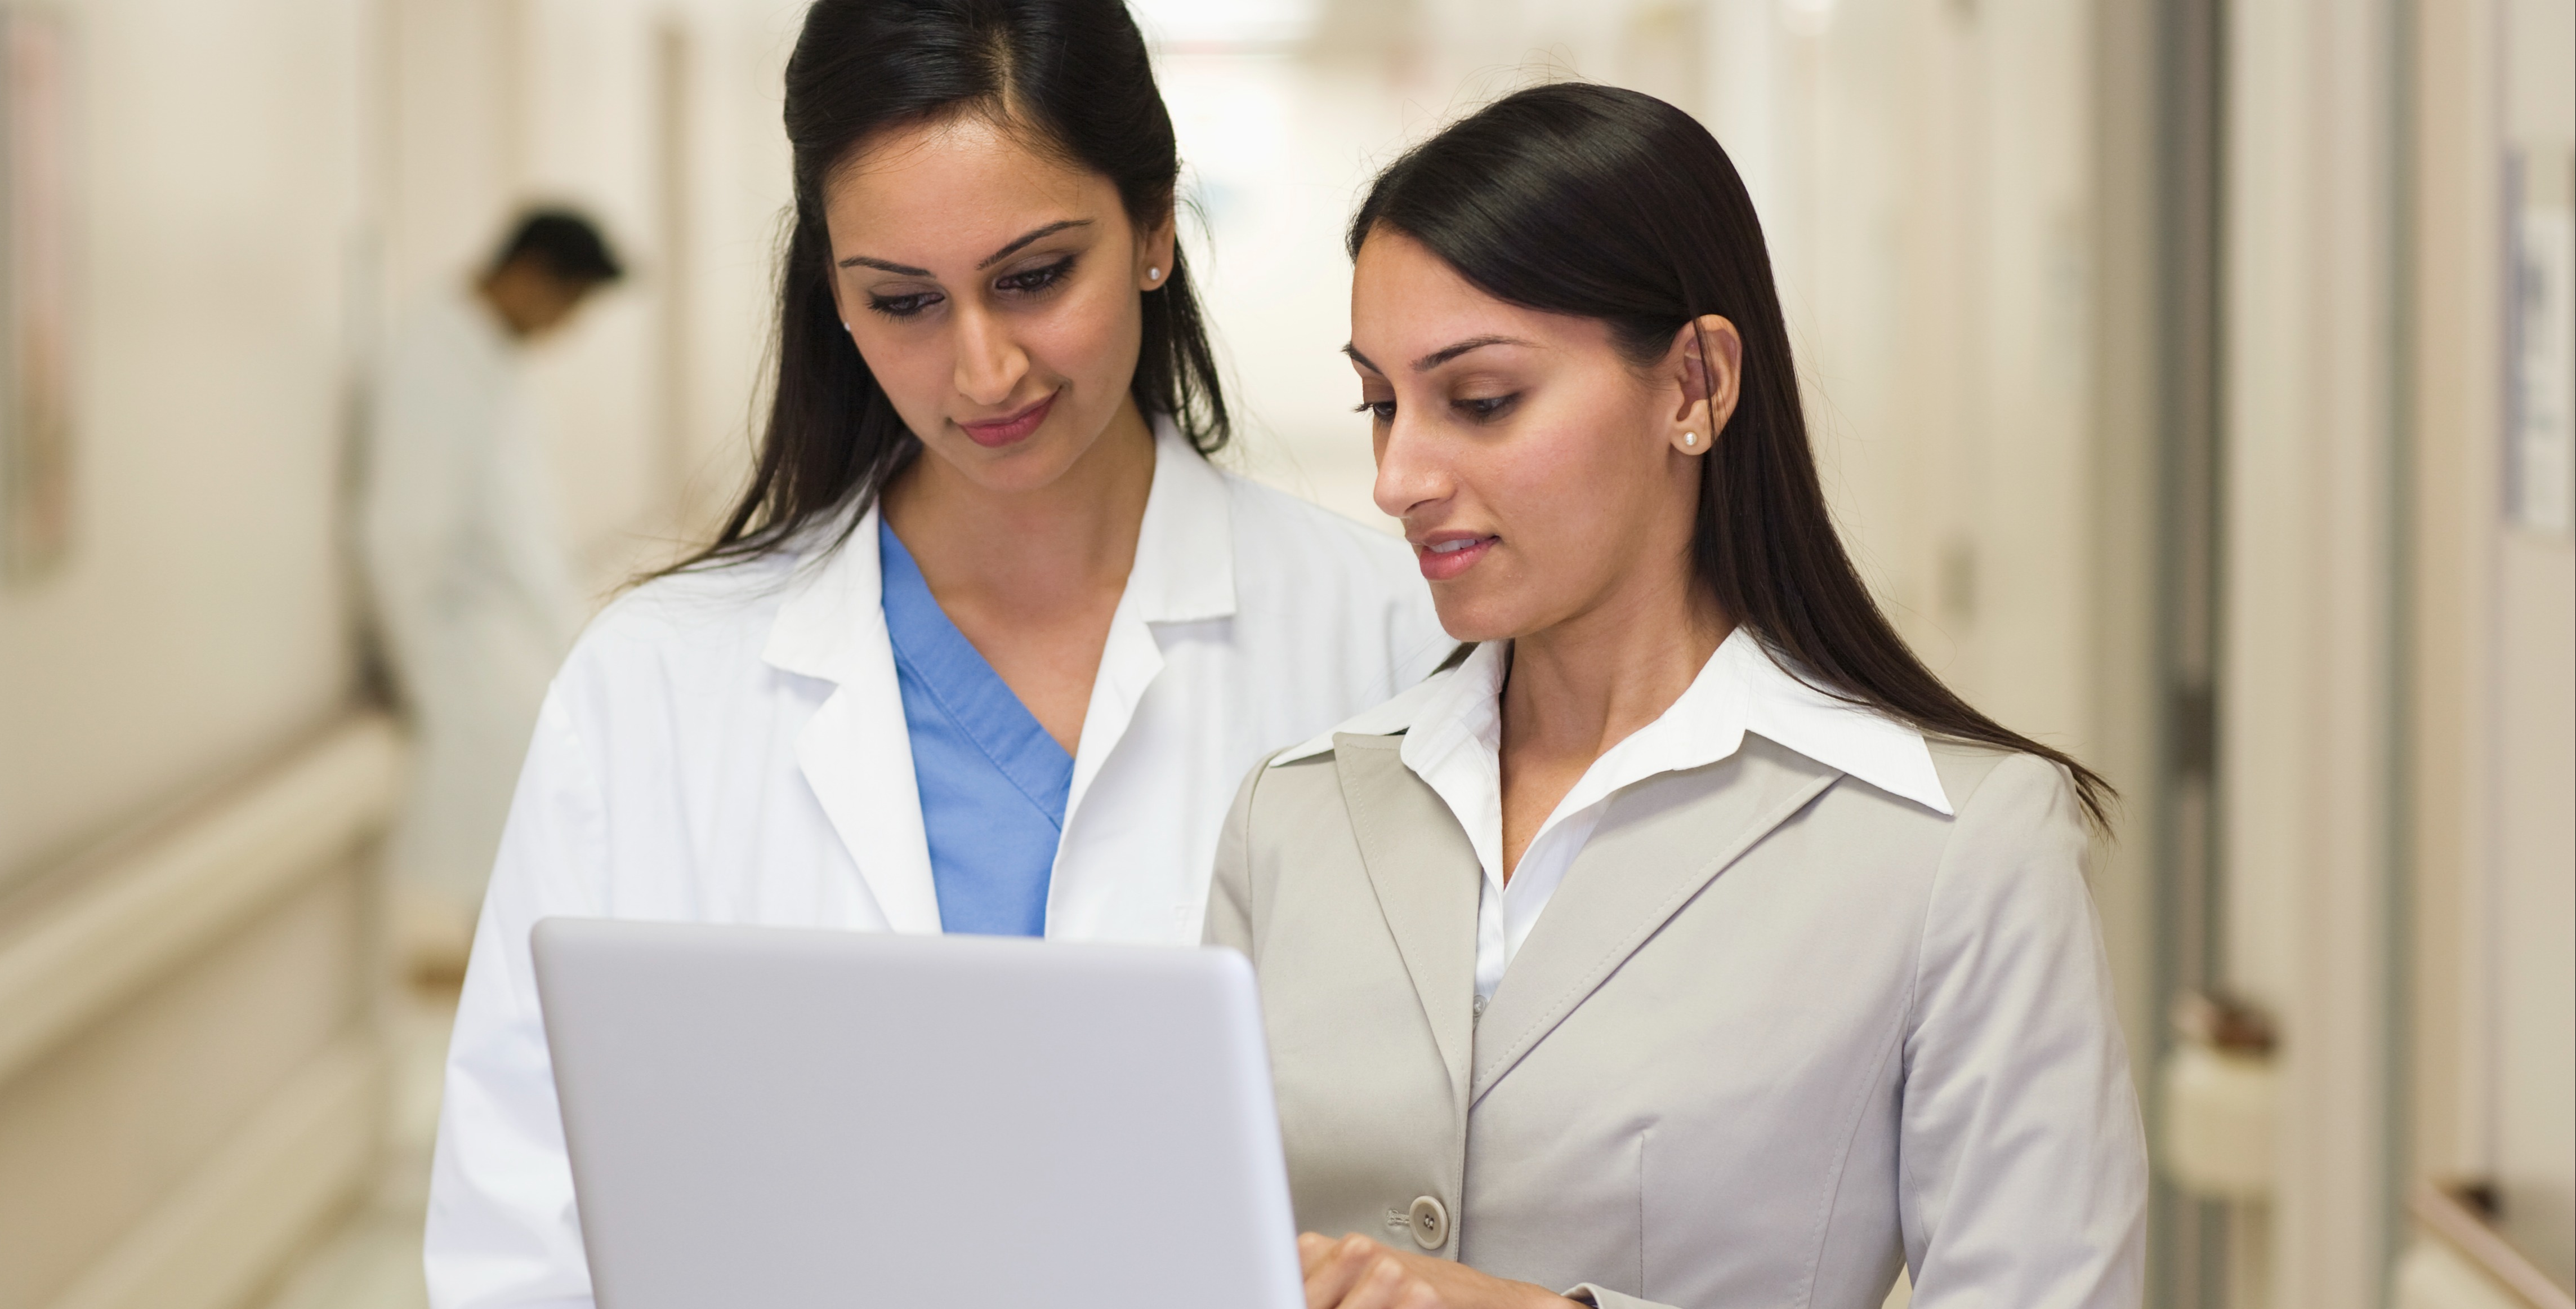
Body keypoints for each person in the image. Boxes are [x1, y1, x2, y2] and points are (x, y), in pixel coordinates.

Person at [422, 3, 1452, 1304]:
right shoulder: (658, 685)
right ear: (833, 297)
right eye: (901, 301)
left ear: (1149, 228)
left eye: (1032, 276)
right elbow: (523, 1221)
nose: (982, 370)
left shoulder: (1395, 640)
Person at [1207, 84, 2146, 1308]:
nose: (1397, 475)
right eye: (1379, 404)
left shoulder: (1956, 848)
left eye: (1478, 400)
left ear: (1693, 385)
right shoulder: (1295, 816)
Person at [359, 209, 625, 978]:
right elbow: (400, 532)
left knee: (529, 883)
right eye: (567, 306)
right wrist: (425, 678)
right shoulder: (433, 360)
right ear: (529, 275)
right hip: (465, 660)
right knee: (498, 888)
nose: (564, 328)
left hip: (506, 649)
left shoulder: (487, 357)